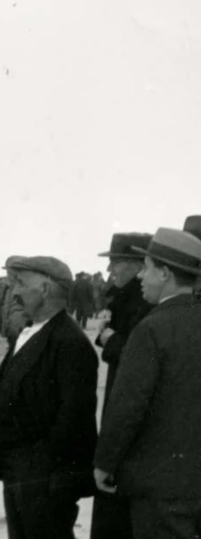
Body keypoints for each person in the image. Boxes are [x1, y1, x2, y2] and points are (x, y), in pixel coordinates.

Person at [0, 256, 98, 539]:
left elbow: (74, 417)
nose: (13, 292)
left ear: (45, 289)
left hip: (44, 476)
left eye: (20, 283)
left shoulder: (70, 341)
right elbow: (24, 378)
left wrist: (43, 469)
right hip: (20, 471)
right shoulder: (30, 333)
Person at [94, 228, 201, 539]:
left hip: (160, 487)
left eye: (148, 268)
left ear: (165, 273)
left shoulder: (151, 329)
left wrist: (105, 463)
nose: (142, 276)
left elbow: (127, 407)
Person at [90, 231, 153, 539]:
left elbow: (140, 359)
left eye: (116, 262)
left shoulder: (141, 301)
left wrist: (109, 340)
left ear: (138, 264)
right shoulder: (127, 297)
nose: (109, 270)